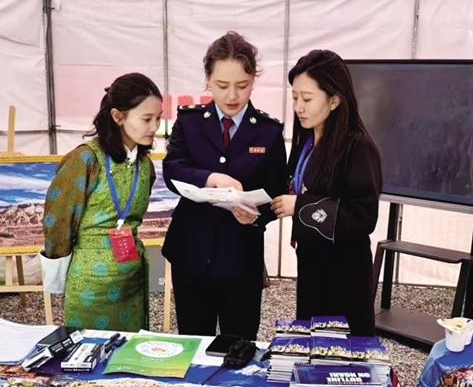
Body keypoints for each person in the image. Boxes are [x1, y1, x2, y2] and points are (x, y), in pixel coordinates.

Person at [162, 31, 288, 340]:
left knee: (240, 345)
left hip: (241, 258)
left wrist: (256, 215)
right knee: (194, 342)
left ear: (253, 80)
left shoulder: (269, 132)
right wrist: (210, 179)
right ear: (207, 79)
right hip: (190, 253)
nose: (232, 95)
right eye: (222, 85)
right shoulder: (190, 122)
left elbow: (276, 191)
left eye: (242, 85)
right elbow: (172, 169)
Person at [40, 73, 163, 331]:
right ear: (118, 117)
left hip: (131, 278)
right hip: (90, 282)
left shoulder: (145, 165)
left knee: (130, 349)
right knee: (89, 349)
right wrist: (57, 272)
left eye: (158, 118)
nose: (154, 127)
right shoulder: (85, 160)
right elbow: (58, 220)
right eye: (146, 119)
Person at [271, 50, 382, 336]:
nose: (299, 107)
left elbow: (363, 216)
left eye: (307, 99)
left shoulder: (357, 147)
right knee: (312, 341)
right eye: (295, 97)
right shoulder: (306, 140)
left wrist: (301, 207)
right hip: (311, 265)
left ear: (334, 100)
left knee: (340, 348)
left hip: (343, 273)